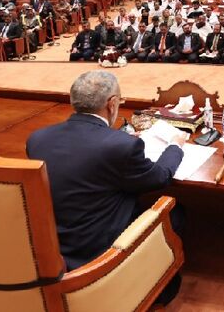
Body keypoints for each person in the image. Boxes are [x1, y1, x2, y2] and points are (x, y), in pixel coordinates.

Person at [26, 71, 186, 303]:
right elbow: (159, 177)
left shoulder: (38, 139)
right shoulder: (122, 147)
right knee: (176, 212)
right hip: (98, 255)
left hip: (54, 251)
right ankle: (158, 287)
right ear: (112, 104)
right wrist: (175, 146)